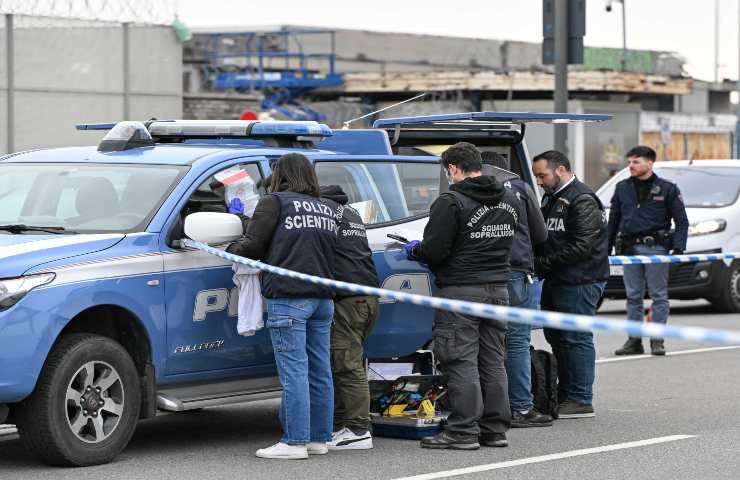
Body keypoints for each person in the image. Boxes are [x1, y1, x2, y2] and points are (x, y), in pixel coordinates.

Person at [405, 142, 519, 450]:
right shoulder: (508, 198)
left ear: (453, 169)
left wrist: (415, 250)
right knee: (493, 360)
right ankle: (494, 429)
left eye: (447, 171)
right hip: (498, 289)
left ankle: (462, 431)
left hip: (460, 291)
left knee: (459, 360)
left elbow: (435, 251)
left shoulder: (451, 201)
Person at [227, 153, 337, 460]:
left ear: (280, 174)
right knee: (320, 371)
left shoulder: (274, 202)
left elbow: (251, 246)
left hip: (289, 299)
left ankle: (294, 442)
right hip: (323, 300)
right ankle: (319, 439)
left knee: (294, 372)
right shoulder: (327, 208)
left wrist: (229, 248)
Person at [532, 150, 609, 419]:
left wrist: (541, 264)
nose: (539, 181)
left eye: (542, 175)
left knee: (576, 338)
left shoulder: (582, 199)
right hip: (558, 278)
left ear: (561, 170)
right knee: (558, 337)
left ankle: (580, 397)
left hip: (580, 279)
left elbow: (582, 247)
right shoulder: (552, 197)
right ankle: (565, 394)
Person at [480, 151, 551, 427]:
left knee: (487, 340)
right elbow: (541, 234)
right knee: (518, 341)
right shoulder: (520, 189)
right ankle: (521, 407)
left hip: (481, 274)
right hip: (517, 271)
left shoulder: (469, 190)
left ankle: (488, 407)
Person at [608, 146, 689, 356]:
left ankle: (657, 340)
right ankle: (634, 340)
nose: (631, 166)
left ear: (650, 163)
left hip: (656, 248)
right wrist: (606, 249)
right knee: (633, 296)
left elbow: (681, 221)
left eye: (636, 162)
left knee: (658, 296)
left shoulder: (667, 188)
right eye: (629, 162)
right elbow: (613, 221)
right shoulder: (622, 188)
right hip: (629, 249)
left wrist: (679, 248)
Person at [320, 184, 380, 450]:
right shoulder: (351, 214)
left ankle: (358, 429)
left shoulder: (325, 214)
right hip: (365, 297)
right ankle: (344, 426)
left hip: (347, 299)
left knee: (346, 364)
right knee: (343, 361)